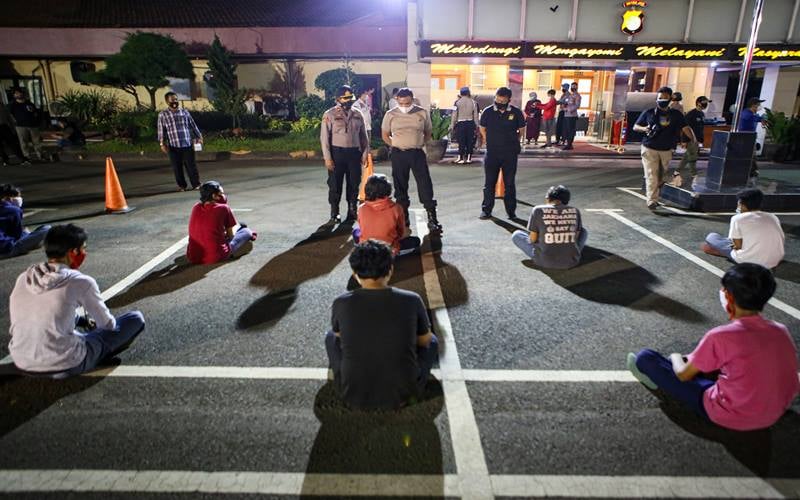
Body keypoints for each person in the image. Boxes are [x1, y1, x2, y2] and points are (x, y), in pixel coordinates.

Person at [628, 263, 799, 431]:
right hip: (774, 412)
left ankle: (653, 377)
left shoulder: (721, 336)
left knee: (646, 358)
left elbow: (683, 375)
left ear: (729, 296)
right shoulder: (780, 330)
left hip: (730, 413)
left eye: (724, 289)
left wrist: (675, 357)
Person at [8, 224, 146, 377]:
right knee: (134, 319)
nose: (84, 253)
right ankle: (96, 356)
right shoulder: (81, 281)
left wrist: (80, 320)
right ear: (73, 252)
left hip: (22, 362)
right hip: (65, 363)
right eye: (83, 249)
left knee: (66, 329)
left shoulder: (24, 278)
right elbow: (107, 325)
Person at [324, 240, 438, 410]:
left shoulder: (341, 302)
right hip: (404, 395)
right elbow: (424, 341)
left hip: (352, 395)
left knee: (331, 337)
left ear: (355, 273)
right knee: (433, 341)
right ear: (390, 270)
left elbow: (340, 338)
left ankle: (347, 377)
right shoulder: (411, 299)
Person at [381, 87, 442, 232]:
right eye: (401, 104)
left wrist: (419, 143)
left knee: (425, 184)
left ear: (412, 100)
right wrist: (395, 144)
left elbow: (428, 132)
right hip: (399, 154)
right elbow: (385, 134)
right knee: (400, 186)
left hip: (416, 153)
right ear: (397, 100)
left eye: (407, 104)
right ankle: (404, 218)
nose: (404, 107)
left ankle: (432, 218)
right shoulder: (391, 114)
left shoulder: (421, 112)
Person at [632, 86, 697, 210]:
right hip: (649, 147)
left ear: (670, 99)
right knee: (651, 175)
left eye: (665, 98)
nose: (662, 100)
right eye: (660, 98)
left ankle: (655, 193)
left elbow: (685, 127)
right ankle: (652, 200)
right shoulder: (649, 112)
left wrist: (693, 139)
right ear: (656, 99)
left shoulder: (676, 114)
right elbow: (635, 126)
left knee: (662, 176)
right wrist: (645, 129)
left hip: (667, 149)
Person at [321, 85, 370, 223]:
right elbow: (324, 138)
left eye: (350, 97)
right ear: (338, 98)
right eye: (345, 98)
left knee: (354, 183)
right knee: (335, 184)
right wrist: (328, 158)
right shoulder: (329, 114)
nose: (349, 100)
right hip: (337, 153)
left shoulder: (357, 114)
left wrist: (365, 152)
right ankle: (334, 212)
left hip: (354, 153)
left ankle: (352, 210)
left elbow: (364, 136)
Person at [702, 188, 784, 269]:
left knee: (711, 237)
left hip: (750, 261)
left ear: (742, 205)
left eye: (738, 204)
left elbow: (737, 246)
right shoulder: (772, 217)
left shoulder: (738, 218)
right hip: (775, 259)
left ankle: (725, 253)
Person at [511, 185, 587, 269]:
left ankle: (547, 253)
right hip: (571, 261)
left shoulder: (538, 210)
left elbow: (533, 239)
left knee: (517, 235)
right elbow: (575, 238)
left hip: (544, 261)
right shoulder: (575, 210)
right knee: (583, 231)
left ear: (548, 198)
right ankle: (568, 253)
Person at [478, 87, 526, 220]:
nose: (499, 102)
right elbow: (482, 128)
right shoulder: (488, 112)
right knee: (489, 183)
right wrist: (488, 140)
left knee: (509, 183)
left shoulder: (516, 113)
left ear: (508, 100)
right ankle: (486, 210)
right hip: (492, 153)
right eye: (497, 99)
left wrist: (515, 140)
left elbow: (521, 129)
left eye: (502, 100)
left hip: (510, 154)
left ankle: (511, 212)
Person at [187, 181, 257, 265]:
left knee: (239, 225)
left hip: (193, 256)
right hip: (216, 256)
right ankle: (232, 251)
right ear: (213, 195)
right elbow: (231, 235)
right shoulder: (223, 208)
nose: (223, 196)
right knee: (246, 231)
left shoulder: (196, 207)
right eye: (220, 193)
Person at [354, 174, 421, 256]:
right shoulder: (396, 208)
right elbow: (400, 233)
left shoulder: (361, 208)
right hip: (388, 250)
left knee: (355, 232)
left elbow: (362, 228)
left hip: (367, 249)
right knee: (415, 240)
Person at [157, 92, 204, 192]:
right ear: (167, 101)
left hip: (187, 143)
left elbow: (192, 125)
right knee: (177, 167)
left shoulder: (184, 112)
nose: (174, 102)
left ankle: (196, 184)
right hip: (173, 145)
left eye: (176, 99)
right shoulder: (163, 115)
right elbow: (161, 130)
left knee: (191, 166)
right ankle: (182, 186)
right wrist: (162, 143)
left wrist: (199, 136)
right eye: (172, 100)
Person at [0, 184, 50, 258]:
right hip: (6, 248)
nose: (19, 199)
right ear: (8, 197)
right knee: (46, 229)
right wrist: (25, 233)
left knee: (28, 233)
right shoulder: (14, 210)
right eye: (17, 196)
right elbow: (16, 235)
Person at [674, 96, 710, 188]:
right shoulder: (691, 114)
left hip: (697, 140)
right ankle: (694, 175)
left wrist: (701, 140)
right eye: (704, 102)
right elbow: (685, 128)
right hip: (691, 140)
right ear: (698, 103)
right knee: (692, 158)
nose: (706, 105)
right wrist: (684, 140)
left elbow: (700, 128)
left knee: (687, 157)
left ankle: (676, 172)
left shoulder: (701, 114)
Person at [9, 88, 42, 162]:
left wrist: (37, 121)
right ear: (14, 95)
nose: (18, 95)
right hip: (20, 126)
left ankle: (40, 155)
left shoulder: (29, 103)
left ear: (22, 94)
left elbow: (36, 113)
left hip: (33, 125)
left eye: (19, 93)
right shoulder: (13, 105)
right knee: (23, 142)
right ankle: (27, 156)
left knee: (37, 141)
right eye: (16, 93)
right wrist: (14, 123)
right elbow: (11, 115)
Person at [450, 86, 480, 164]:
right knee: (469, 141)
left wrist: (452, 125)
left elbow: (454, 115)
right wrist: (477, 126)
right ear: (468, 93)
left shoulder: (457, 102)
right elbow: (476, 115)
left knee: (461, 141)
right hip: (470, 123)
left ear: (461, 93)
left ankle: (461, 158)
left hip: (460, 123)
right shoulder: (474, 102)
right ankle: (469, 158)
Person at [739, 97, 766, 180]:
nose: (759, 106)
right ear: (753, 105)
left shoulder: (752, 114)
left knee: (752, 155)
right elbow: (752, 118)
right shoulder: (746, 113)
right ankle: (752, 171)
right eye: (758, 105)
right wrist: (761, 118)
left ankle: (752, 171)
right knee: (751, 156)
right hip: (745, 138)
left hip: (751, 137)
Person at [0, 101, 26, 166]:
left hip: (4, 127)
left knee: (12, 144)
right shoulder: (3, 108)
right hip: (4, 127)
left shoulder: (3, 108)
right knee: (9, 144)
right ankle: (6, 160)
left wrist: (13, 128)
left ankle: (22, 158)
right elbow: (10, 119)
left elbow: (9, 119)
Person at [561, 82, 581, 150]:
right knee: (566, 130)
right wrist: (564, 107)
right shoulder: (570, 95)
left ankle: (569, 144)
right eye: (572, 86)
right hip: (566, 115)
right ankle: (567, 143)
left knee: (571, 130)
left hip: (572, 116)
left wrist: (569, 109)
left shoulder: (577, 96)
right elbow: (566, 102)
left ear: (577, 87)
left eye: (574, 86)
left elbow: (577, 105)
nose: (573, 88)